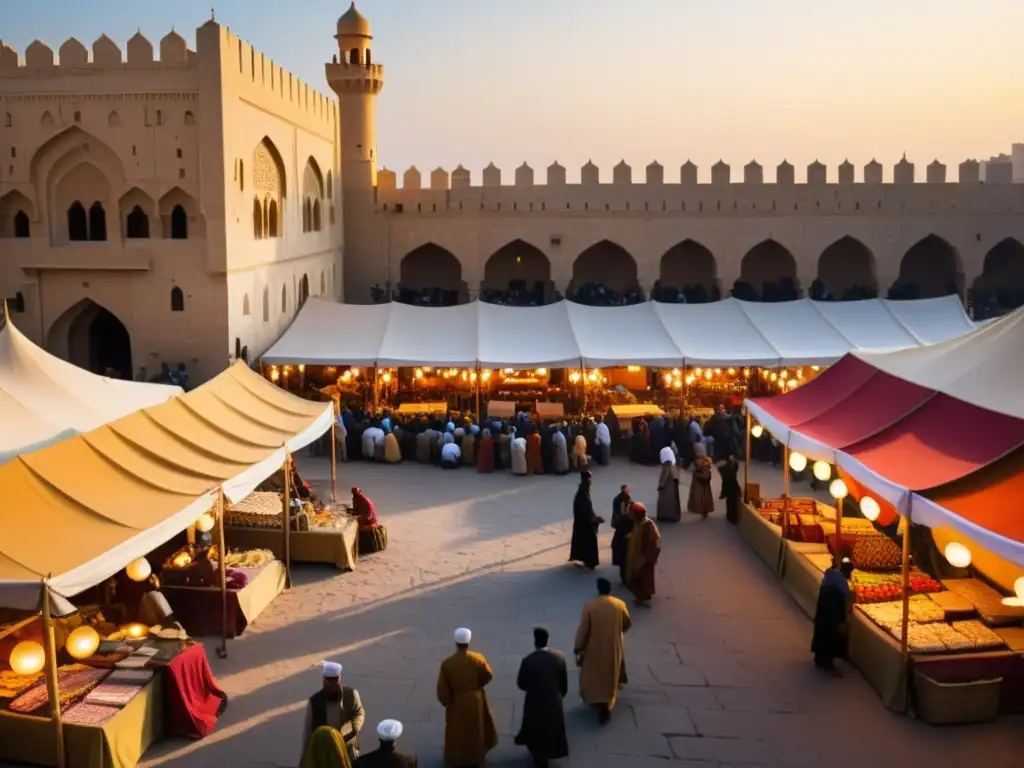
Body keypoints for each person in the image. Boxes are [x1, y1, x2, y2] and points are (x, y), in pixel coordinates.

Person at [436, 628, 498, 768]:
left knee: (457, 731)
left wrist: (446, 700)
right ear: (469, 642)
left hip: (457, 700)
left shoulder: (447, 663)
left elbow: (442, 688)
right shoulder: (477, 658)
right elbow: (488, 675)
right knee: (476, 728)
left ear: (456, 642)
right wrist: (478, 685)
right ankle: (476, 755)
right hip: (475, 699)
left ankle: (458, 757)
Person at [573, 577, 631, 724]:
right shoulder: (619, 604)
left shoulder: (591, 606)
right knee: (610, 673)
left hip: (595, 646)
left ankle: (596, 701)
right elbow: (627, 623)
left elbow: (583, 629)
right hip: (613, 645)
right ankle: (607, 703)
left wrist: (578, 646)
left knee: (594, 675)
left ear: (598, 589)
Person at [514, 627, 569, 767]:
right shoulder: (559, 657)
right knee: (551, 727)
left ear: (535, 642)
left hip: (534, 700)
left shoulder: (528, 660)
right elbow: (563, 682)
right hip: (553, 700)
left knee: (535, 727)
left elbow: (521, 684)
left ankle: (538, 754)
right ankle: (550, 751)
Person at [301, 661, 365, 766]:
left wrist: (353, 726)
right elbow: (308, 733)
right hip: (325, 751)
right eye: (328, 681)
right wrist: (305, 758)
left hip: (346, 746)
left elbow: (359, 712)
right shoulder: (315, 702)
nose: (331, 684)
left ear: (339, 679)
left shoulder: (351, 695)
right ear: (323, 680)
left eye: (334, 681)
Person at [812, 559, 854, 673]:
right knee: (831, 629)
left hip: (824, 599)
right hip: (833, 603)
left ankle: (819, 657)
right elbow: (847, 601)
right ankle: (828, 661)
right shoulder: (842, 581)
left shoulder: (830, 573)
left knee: (821, 626)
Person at [624, 502, 661, 605]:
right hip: (637, 557)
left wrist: (648, 557)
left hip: (644, 558)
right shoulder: (638, 523)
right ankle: (642, 596)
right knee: (638, 578)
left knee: (641, 579)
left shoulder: (648, 525)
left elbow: (654, 542)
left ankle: (642, 597)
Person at [568, 470, 603, 569]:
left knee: (583, 541)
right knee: (589, 541)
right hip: (584, 523)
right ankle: (589, 562)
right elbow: (586, 510)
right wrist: (594, 519)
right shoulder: (582, 494)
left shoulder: (583, 492)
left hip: (582, 522)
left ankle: (585, 559)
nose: (591, 483)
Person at [351, 487, 387, 554]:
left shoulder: (364, 501)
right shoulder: (357, 499)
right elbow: (357, 509)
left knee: (355, 525)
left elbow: (368, 516)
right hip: (365, 517)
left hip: (369, 521)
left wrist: (358, 518)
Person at [610, 485, 633, 585]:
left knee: (623, 559)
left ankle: (625, 577)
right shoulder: (623, 502)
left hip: (622, 532)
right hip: (624, 533)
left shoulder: (624, 501)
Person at [687, 442, 715, 519]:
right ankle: (702, 510)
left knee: (702, 498)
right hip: (701, 485)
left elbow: (705, 476)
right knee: (703, 497)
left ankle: (703, 510)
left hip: (700, 485)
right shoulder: (702, 464)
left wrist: (696, 474)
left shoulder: (703, 465)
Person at [656, 446, 681, 522]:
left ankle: (665, 515)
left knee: (665, 500)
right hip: (672, 483)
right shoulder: (673, 463)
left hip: (667, 485)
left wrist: (661, 485)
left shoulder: (667, 464)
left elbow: (665, 475)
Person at [716, 454, 742, 524]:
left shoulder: (725, 470)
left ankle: (730, 516)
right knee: (733, 502)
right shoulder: (729, 470)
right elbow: (735, 468)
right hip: (732, 487)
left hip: (729, 487)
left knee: (730, 501)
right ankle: (732, 517)